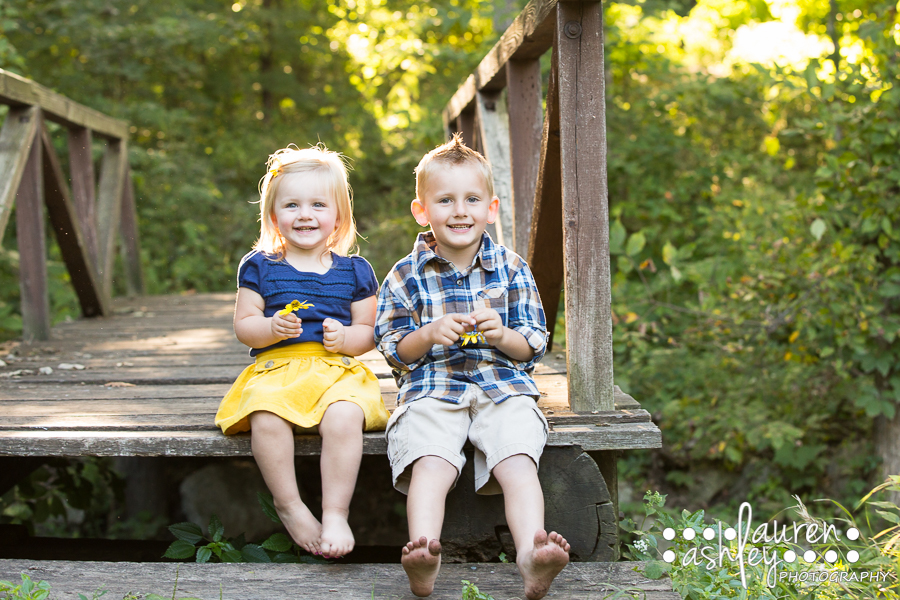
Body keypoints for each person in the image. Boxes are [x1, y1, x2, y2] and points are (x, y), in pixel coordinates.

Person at [375, 134, 570, 600]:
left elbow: (532, 346)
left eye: (471, 199)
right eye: (445, 200)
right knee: (431, 461)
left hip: (501, 385)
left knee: (517, 460)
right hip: (431, 387)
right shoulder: (405, 274)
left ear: (491, 208)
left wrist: (501, 334)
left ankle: (531, 554)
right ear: (422, 211)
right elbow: (391, 349)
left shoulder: (513, 269)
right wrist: (426, 334)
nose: (459, 211)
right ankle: (424, 553)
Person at [215, 144, 390, 559]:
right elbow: (244, 327)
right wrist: (270, 329)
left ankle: (335, 512)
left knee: (346, 415)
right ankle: (289, 504)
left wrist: (346, 339)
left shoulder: (355, 270)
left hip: (335, 370)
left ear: (338, 216)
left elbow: (369, 330)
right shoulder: (260, 265)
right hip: (279, 369)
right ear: (274, 215)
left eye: (317, 205)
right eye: (291, 205)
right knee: (266, 415)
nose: (305, 214)